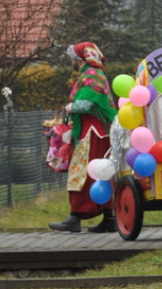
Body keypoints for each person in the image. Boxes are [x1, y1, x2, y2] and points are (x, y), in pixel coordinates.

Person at [49, 42, 117, 233]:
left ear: (78, 59)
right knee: (101, 174)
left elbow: (85, 104)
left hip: (91, 132)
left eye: (72, 57)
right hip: (100, 131)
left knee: (82, 173)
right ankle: (109, 217)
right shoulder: (96, 74)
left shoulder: (91, 75)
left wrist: (71, 107)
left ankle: (75, 216)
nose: (70, 61)